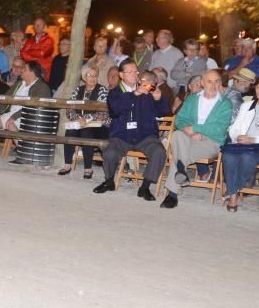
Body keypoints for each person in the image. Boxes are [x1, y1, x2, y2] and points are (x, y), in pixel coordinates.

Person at [93, 60, 170, 201]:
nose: (135, 74)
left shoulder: (148, 87)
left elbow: (164, 111)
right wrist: (134, 94)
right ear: (121, 75)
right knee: (109, 152)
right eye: (130, 72)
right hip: (122, 136)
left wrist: (159, 99)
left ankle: (145, 187)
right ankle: (109, 181)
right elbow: (115, 111)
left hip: (145, 135)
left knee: (159, 151)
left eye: (136, 71)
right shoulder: (114, 92)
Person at [162, 69, 231, 208]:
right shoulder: (192, 98)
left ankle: (172, 194)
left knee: (179, 154)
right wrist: (191, 132)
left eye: (217, 81)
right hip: (189, 137)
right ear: (202, 83)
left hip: (212, 142)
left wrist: (196, 128)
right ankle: (180, 171)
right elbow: (180, 120)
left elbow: (219, 129)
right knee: (177, 134)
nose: (213, 85)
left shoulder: (225, 103)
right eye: (209, 81)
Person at [221, 74, 259, 212]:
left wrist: (254, 139)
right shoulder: (246, 106)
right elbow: (234, 127)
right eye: (257, 87)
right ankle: (234, 193)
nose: (258, 90)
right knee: (228, 156)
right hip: (242, 143)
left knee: (246, 158)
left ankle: (233, 193)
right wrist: (238, 136)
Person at [57, 67, 109, 179]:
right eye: (90, 75)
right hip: (80, 123)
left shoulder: (102, 90)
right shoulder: (78, 90)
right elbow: (69, 109)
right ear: (84, 77)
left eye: (95, 75)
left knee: (86, 132)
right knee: (70, 131)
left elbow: (103, 112)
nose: (93, 78)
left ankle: (88, 168)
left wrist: (86, 119)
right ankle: (67, 164)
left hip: (99, 125)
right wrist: (78, 118)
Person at [20, 17, 54, 81]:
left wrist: (29, 52)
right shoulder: (30, 40)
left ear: (44, 26)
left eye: (40, 24)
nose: (37, 26)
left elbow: (43, 53)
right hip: (30, 69)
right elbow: (22, 53)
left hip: (43, 71)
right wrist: (37, 56)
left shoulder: (49, 40)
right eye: (35, 24)